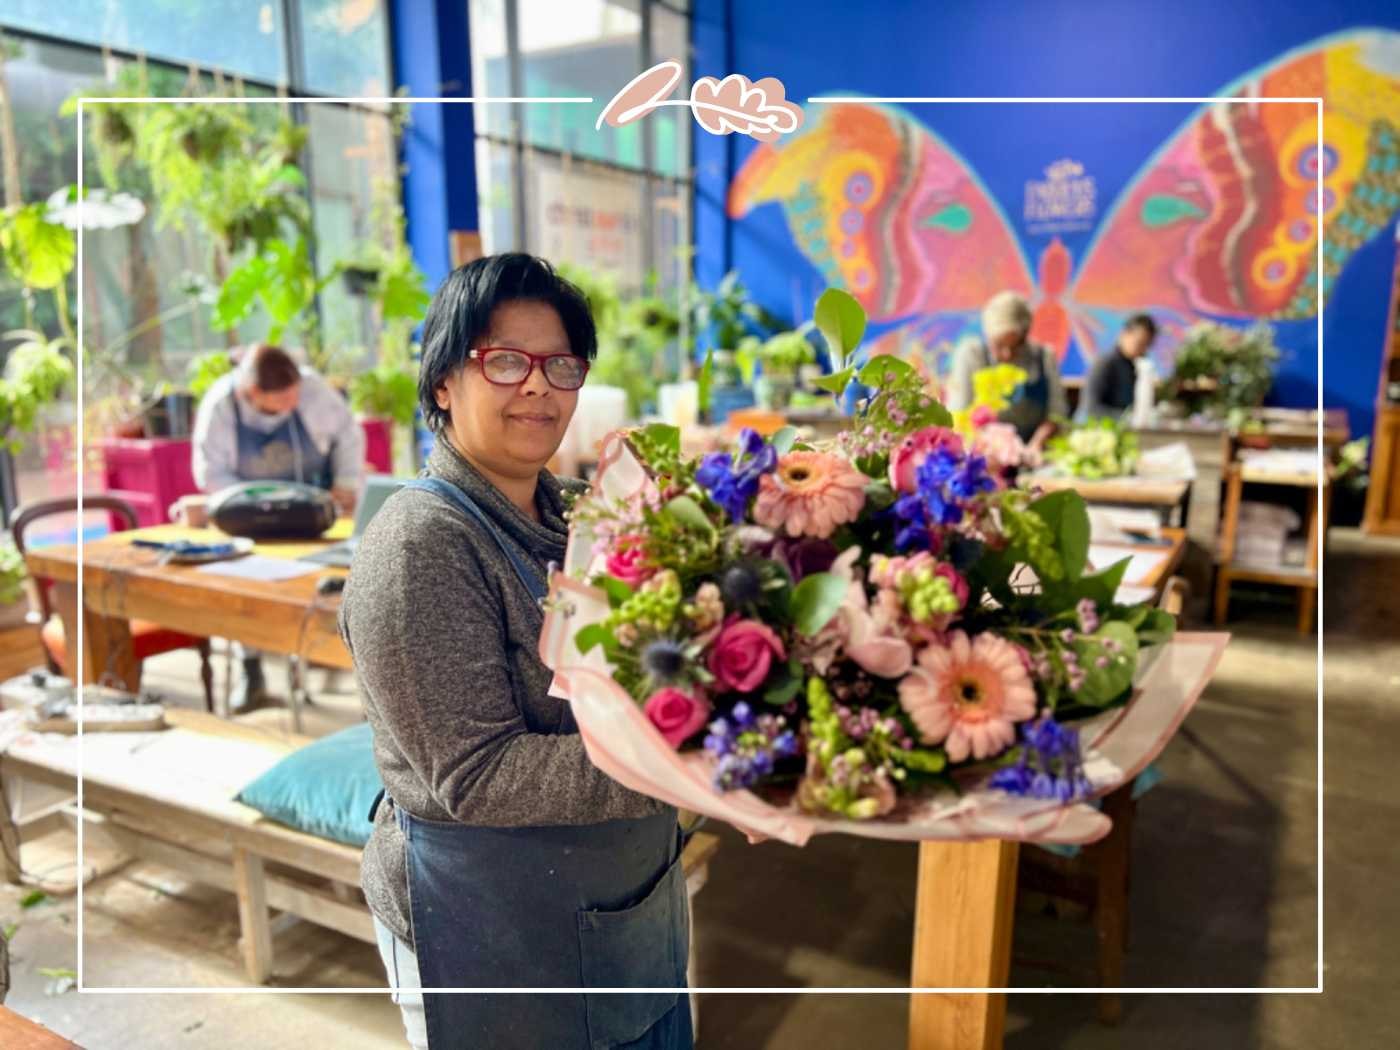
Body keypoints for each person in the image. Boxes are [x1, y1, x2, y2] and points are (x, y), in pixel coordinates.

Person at [339, 253, 691, 1050]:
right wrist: (686, 762)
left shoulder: (583, 516)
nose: (538, 386)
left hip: (623, 899)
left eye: (560, 365)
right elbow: (477, 775)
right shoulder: (421, 544)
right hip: (489, 927)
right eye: (503, 361)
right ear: (441, 384)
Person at [192, 344, 365, 709]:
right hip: (256, 517)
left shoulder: (313, 390)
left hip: (318, 512)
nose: (290, 407)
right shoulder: (221, 406)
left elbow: (348, 435)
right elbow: (210, 473)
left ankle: (346, 663)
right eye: (278, 404)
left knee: (334, 575)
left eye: (293, 400)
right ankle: (251, 671)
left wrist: (347, 483)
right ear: (249, 393)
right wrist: (250, 504)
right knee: (247, 586)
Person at [945, 290, 1068, 453]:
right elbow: (959, 414)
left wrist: (1035, 445)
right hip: (984, 451)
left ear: (1026, 335)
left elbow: (1057, 414)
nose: (1007, 354)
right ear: (987, 336)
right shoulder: (971, 354)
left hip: (1035, 452)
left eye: (1016, 345)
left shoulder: (1044, 357)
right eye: (999, 345)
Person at [1082, 313, 1158, 420]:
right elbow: (1091, 408)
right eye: (1139, 343)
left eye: (1146, 345)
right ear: (1124, 334)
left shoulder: (1137, 367)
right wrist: (1127, 417)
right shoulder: (1105, 363)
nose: (1142, 349)